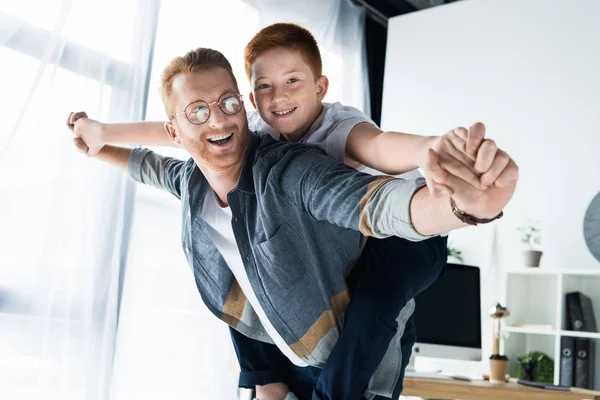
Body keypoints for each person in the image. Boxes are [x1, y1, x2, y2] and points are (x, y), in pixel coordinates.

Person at [67, 45, 516, 400]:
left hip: (352, 365)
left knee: (382, 288)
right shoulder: (192, 180)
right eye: (198, 111)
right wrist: (98, 139)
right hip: (283, 361)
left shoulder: (296, 164)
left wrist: (465, 206)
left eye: (227, 103)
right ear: (175, 131)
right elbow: (147, 164)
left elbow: (375, 201)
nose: (219, 119)